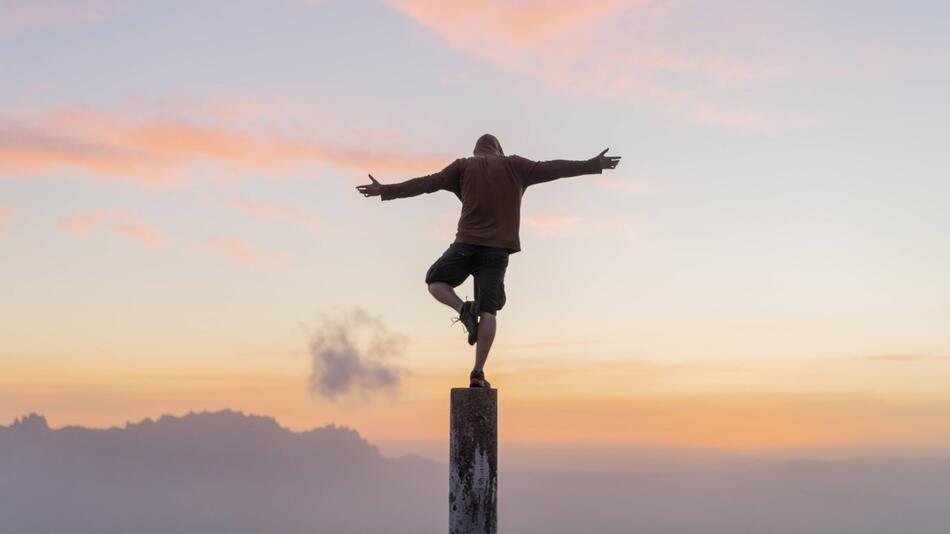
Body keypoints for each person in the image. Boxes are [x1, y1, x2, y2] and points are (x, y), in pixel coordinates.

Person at [357, 134, 620, 388]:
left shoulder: (463, 167)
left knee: (434, 281)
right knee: (489, 311)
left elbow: (426, 184)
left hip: (465, 245)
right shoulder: (515, 165)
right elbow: (554, 168)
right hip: (497, 252)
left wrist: (385, 190)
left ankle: (462, 310)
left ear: (476, 151)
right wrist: (593, 165)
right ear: (498, 150)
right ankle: (478, 373)